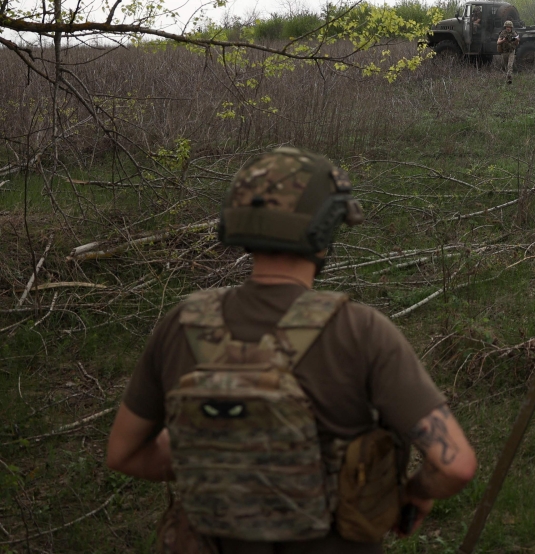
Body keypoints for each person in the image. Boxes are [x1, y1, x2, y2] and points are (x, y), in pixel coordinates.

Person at [106, 146, 477, 553]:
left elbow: (124, 453)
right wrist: (412, 492)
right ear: (324, 230)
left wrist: (222, 453)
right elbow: (455, 464)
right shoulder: (361, 331)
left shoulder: (181, 324)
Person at [496, 20, 519, 85]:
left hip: (511, 51)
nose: (508, 28)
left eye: (509, 27)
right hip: (504, 52)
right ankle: (508, 77)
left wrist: (516, 40)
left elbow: (517, 44)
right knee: (506, 66)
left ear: (511, 27)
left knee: (509, 65)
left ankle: (509, 79)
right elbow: (498, 42)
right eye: (507, 27)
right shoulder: (502, 33)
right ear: (505, 27)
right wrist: (503, 40)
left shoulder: (514, 33)